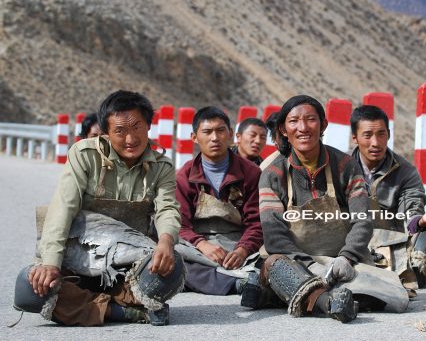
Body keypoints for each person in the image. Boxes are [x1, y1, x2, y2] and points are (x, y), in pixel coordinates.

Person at [13, 90, 184, 326]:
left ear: (148, 127)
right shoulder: (84, 155)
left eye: (136, 127)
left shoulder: (162, 166)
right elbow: (63, 208)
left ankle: (95, 305)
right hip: (76, 262)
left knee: (172, 270)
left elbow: (167, 209)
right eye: (120, 131)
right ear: (105, 133)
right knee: (29, 290)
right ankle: (125, 311)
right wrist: (51, 263)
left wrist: (166, 241)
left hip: (126, 268)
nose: (130, 139)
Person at [241, 95, 408, 323]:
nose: (302, 128)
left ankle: (279, 296)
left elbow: (362, 220)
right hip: (296, 262)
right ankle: (328, 303)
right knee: (276, 265)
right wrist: (309, 267)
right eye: (293, 121)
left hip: (339, 263)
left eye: (310, 119)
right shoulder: (272, 174)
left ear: (323, 125)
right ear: (283, 129)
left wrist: (347, 258)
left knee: (392, 298)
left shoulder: (346, 166)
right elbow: (274, 236)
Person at [350, 105, 426, 290]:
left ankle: (407, 275)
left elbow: (411, 211)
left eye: (381, 134)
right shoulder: (341, 168)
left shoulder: (406, 171)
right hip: (352, 244)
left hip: (393, 246)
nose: (376, 143)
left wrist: (422, 220)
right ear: (355, 137)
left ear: (389, 135)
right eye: (367, 135)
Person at [177, 106, 263, 295]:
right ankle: (237, 284)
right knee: (172, 255)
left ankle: (225, 279)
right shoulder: (184, 176)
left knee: (270, 258)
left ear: (230, 134)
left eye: (220, 131)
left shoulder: (251, 173)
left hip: (238, 245)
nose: (215, 138)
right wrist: (203, 245)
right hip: (198, 250)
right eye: (207, 132)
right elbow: (180, 225)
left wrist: (242, 250)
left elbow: (256, 223)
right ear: (194, 137)